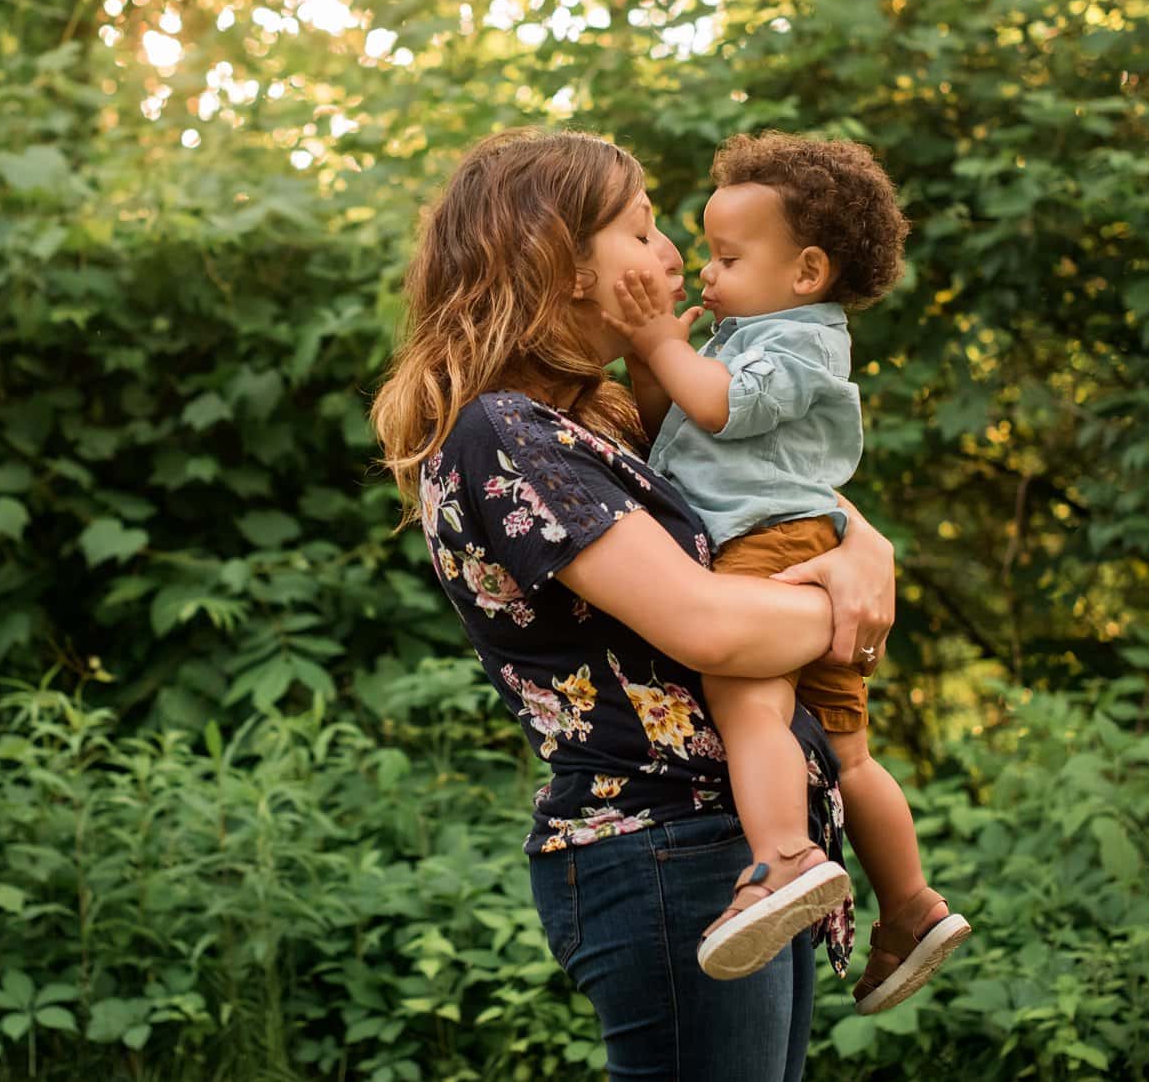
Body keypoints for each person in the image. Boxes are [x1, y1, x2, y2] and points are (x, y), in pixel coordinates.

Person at [371, 128, 896, 1080]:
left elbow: (776, 496)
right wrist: (853, 602)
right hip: (666, 848)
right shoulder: (505, 433)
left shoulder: (597, 418)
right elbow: (707, 623)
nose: (673, 259)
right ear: (564, 263)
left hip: (732, 847)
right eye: (644, 231)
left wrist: (863, 545)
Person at [607, 131, 968, 1012]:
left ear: (807, 271)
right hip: (807, 545)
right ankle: (911, 905)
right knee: (849, 752)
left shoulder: (799, 343)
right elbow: (675, 433)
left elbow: (721, 410)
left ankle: (782, 861)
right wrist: (651, 361)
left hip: (767, 546)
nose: (705, 273)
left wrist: (661, 345)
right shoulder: (756, 334)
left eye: (727, 257)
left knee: (751, 710)